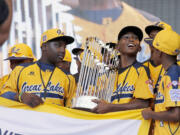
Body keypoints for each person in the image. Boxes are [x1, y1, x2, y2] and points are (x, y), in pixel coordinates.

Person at [0, 28, 76, 108]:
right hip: (26, 120)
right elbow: (4, 95)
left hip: (54, 120)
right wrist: (21, 96)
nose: (62, 50)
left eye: (64, 47)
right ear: (44, 47)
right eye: (58, 45)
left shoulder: (68, 78)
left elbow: (71, 110)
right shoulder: (20, 70)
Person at [92, 26, 154, 114]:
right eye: (126, 37)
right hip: (108, 124)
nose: (131, 39)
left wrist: (110, 107)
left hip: (129, 126)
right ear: (117, 47)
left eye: (135, 38)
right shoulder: (107, 74)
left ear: (139, 48)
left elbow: (142, 103)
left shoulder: (141, 70)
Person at [142, 30, 180, 135]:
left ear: (160, 52)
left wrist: (151, 114)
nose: (151, 55)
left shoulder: (173, 75)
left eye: (153, 51)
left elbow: (175, 115)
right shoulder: (169, 73)